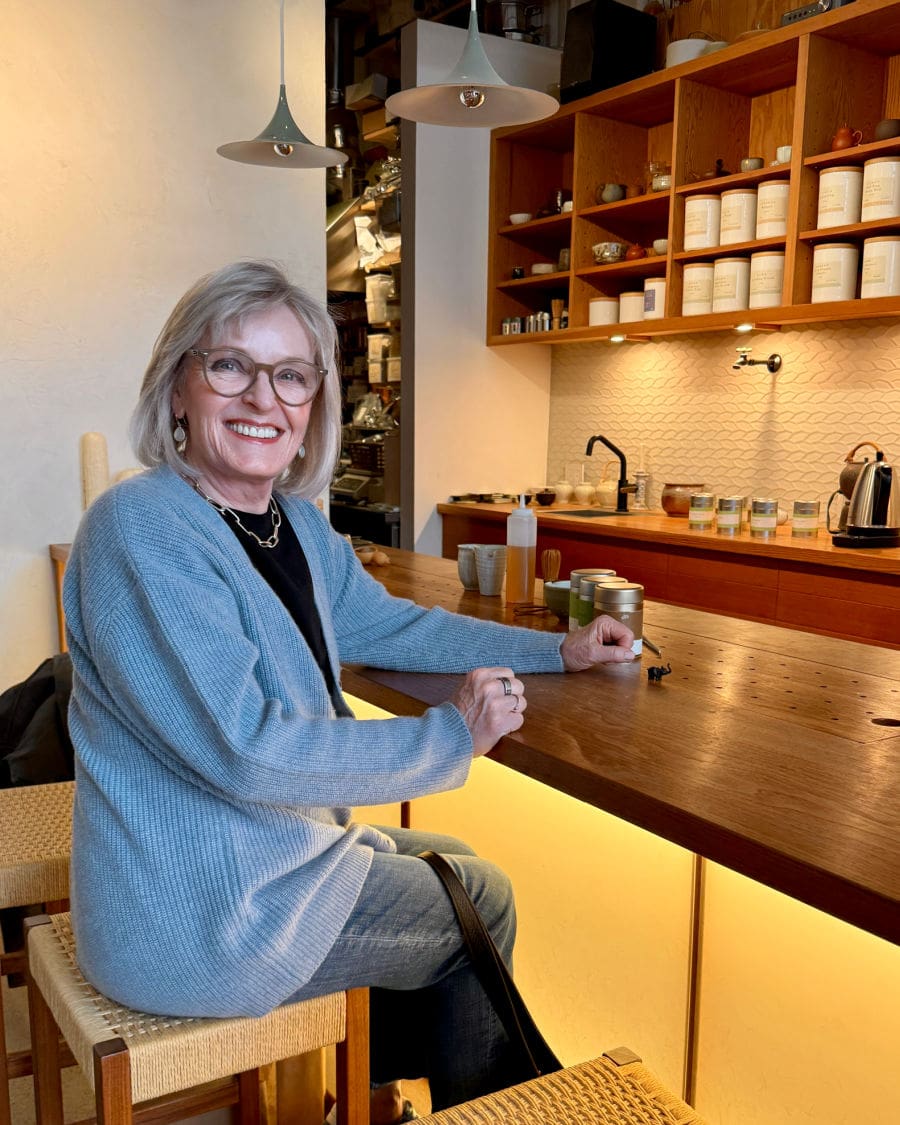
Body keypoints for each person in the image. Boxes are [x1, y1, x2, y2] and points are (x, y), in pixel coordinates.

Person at [63, 260, 635, 1119]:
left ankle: (376, 1100)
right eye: (231, 366)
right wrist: (451, 734)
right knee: (479, 901)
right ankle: (438, 1106)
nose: (264, 398)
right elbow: (247, 748)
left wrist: (558, 648)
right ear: (178, 384)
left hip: (261, 857)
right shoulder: (141, 526)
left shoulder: (289, 521)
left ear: (314, 402)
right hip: (193, 909)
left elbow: (394, 628)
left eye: (291, 375)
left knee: (458, 863)